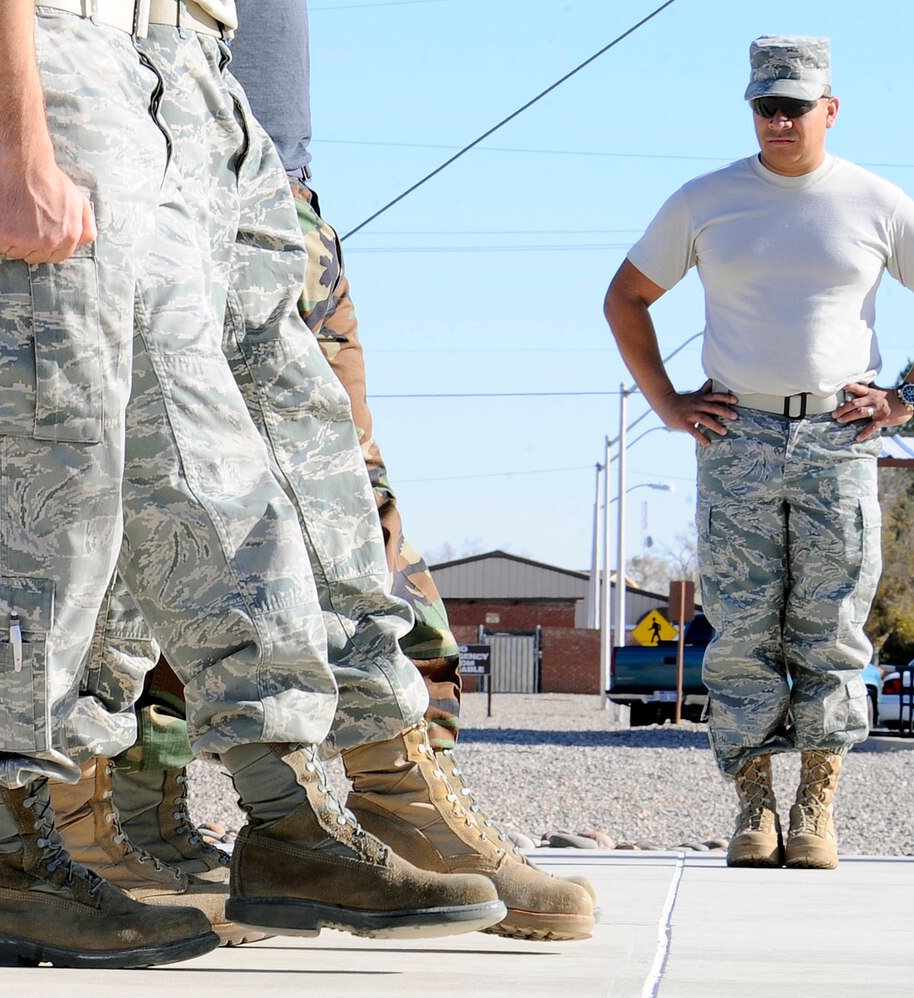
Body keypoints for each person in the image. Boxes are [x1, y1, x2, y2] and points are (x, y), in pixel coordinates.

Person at [0, 0, 505, 969]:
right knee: (47, 486)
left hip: (141, 70)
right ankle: (2, 855)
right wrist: (20, 146)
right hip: (33, 50)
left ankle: (284, 813)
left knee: (207, 472)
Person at [68, 0, 596, 944]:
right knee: (157, 500)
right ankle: (134, 820)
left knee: (346, 501)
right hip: (130, 167)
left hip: (272, 189)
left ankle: (399, 791)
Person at [603, 35, 914, 870]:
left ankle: (815, 805)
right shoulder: (706, 201)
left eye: (794, 107)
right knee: (740, 627)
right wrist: (666, 402)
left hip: (837, 438)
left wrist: (907, 395)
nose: (778, 120)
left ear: (829, 110)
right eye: (765, 107)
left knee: (833, 623)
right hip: (738, 435)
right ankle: (753, 807)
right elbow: (627, 295)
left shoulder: (875, 202)